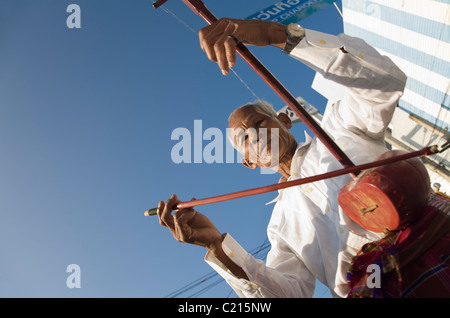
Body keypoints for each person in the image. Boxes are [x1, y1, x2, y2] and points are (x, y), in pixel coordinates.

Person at [157, 18, 407, 297]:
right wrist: (216, 245)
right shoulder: (279, 225)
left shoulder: (338, 128)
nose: (255, 134)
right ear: (250, 162)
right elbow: (287, 295)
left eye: (259, 123)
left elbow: (385, 81)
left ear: (284, 122)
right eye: (245, 139)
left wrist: (276, 35)